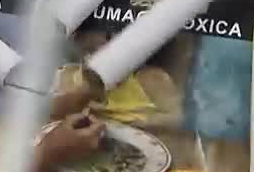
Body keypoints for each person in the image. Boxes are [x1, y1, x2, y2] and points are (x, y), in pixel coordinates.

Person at [50, 30, 183, 129]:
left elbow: (178, 119)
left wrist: (140, 124)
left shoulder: (152, 79)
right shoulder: (69, 76)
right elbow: (53, 117)